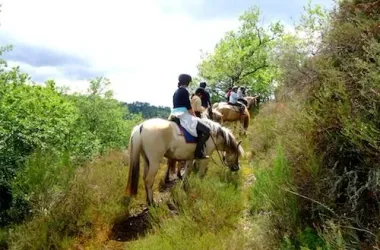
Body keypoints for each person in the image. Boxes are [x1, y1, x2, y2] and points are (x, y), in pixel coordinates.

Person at [170, 74, 211, 159]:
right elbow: (188, 107)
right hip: (183, 115)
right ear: (188, 82)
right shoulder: (185, 91)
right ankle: (198, 152)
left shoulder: (176, 91)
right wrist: (195, 116)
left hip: (173, 114)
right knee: (207, 130)